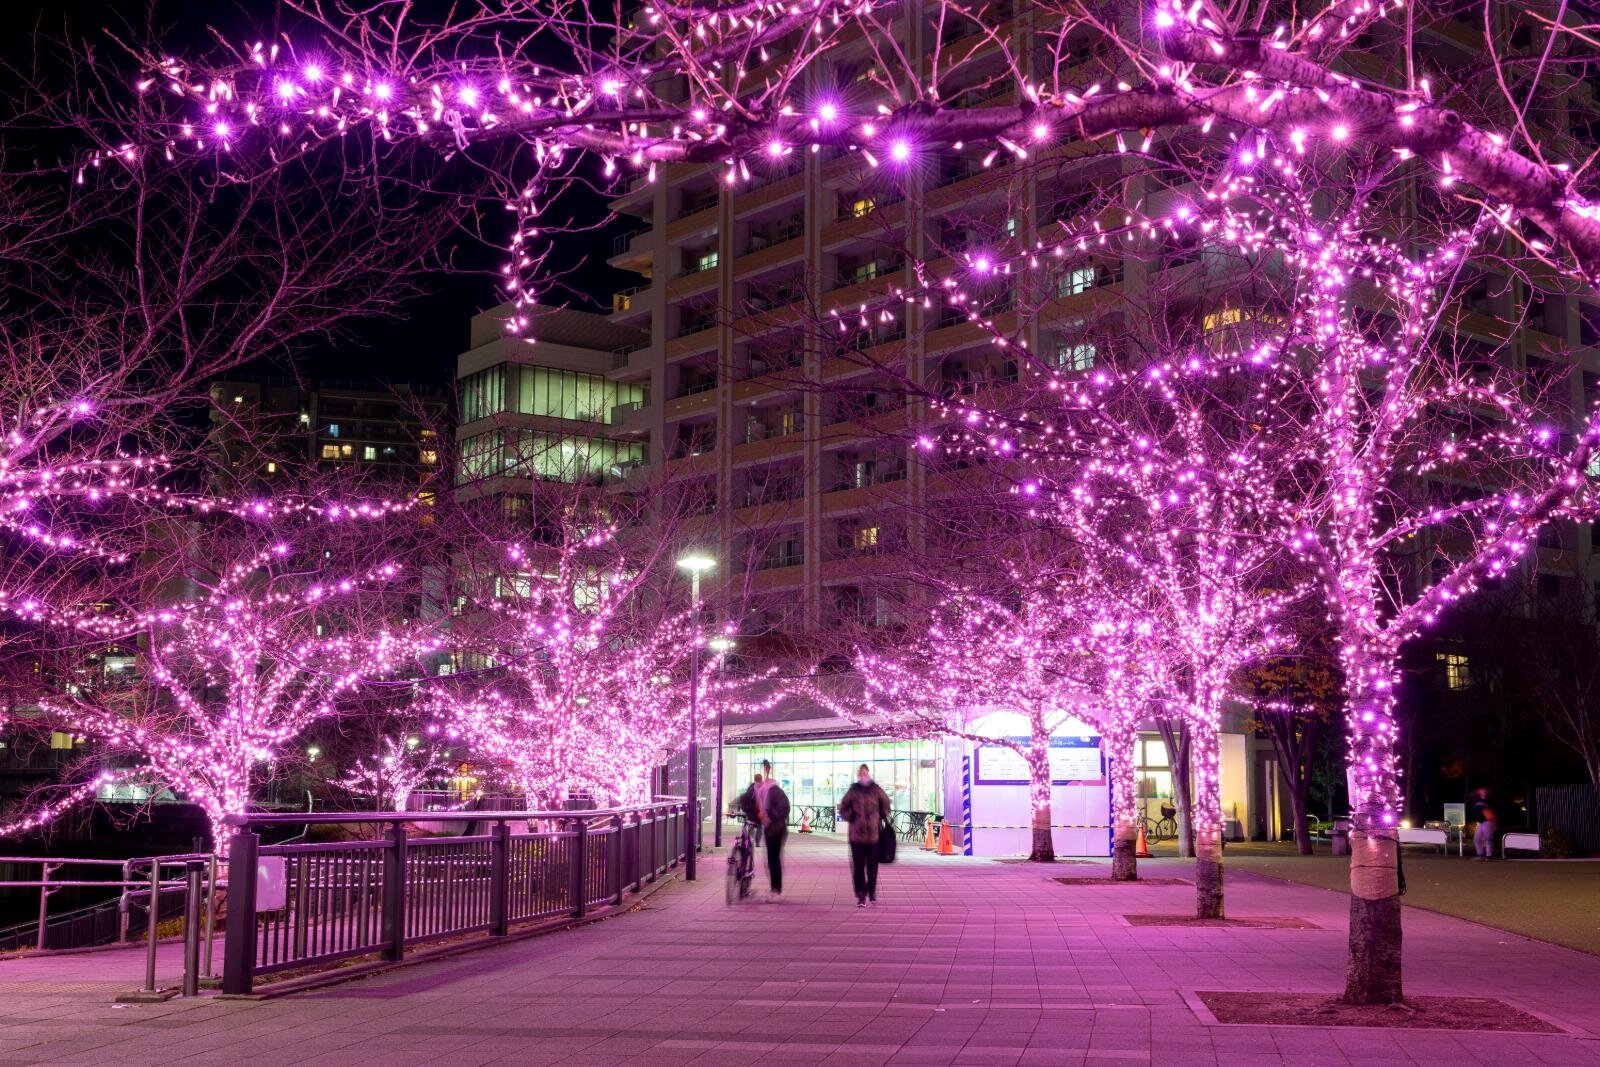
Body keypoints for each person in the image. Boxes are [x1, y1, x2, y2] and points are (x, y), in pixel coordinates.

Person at [838, 763, 892, 907]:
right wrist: (851, 816)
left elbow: (886, 804)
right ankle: (861, 895)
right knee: (858, 866)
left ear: (868, 773)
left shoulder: (876, 789)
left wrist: (878, 816)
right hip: (856, 836)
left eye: (864, 772)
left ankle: (872, 891)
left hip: (873, 836)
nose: (862, 775)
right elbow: (843, 807)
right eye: (860, 773)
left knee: (872, 866)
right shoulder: (853, 790)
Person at [753, 761, 789, 899]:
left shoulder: (774, 789)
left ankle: (776, 889)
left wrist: (768, 813)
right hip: (769, 829)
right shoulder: (758, 790)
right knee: (771, 859)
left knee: (773, 859)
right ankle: (775, 888)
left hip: (777, 828)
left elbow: (784, 807)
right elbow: (748, 800)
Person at [738, 773, 765, 847]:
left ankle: (749, 840)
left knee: (751, 825)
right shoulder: (763, 787)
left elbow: (746, 797)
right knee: (759, 826)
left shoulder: (751, 787)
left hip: (751, 811)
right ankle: (757, 842)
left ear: (754, 779)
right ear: (761, 779)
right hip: (759, 811)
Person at [1470, 787, 1497, 861]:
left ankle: (1489, 856)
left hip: (1488, 821)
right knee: (1476, 838)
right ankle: (1480, 854)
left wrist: (1493, 821)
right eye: (1482, 791)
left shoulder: (1489, 800)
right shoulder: (1477, 799)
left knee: (1487, 838)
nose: (1483, 791)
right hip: (1481, 822)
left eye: (1484, 791)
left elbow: (1492, 811)